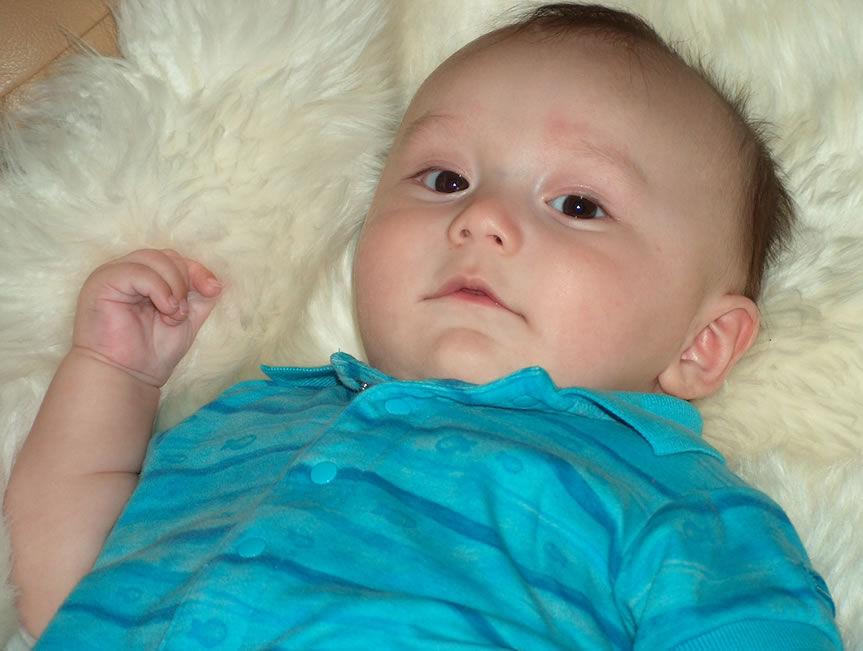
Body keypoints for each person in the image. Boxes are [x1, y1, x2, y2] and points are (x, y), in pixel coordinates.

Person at [3, 3, 843, 649]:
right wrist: (113, 375)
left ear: (700, 345)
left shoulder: (681, 511)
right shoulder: (256, 418)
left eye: (577, 204)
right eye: (443, 178)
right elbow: (63, 585)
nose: (480, 218)